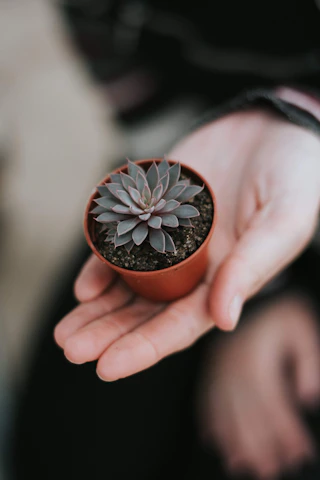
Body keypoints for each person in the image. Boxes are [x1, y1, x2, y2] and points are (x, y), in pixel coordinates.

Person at [12, 1, 320, 479]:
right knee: (66, 450)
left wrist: (301, 122)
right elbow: (138, 98)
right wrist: (257, 295)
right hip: (198, 155)